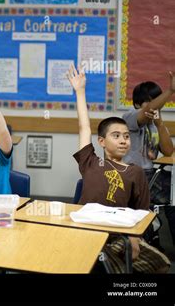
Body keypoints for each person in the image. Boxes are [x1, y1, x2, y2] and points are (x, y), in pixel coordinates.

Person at [67, 64, 170, 273]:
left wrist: (134, 237)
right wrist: (80, 91)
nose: (123, 140)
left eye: (126, 136)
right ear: (102, 142)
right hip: (88, 231)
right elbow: (84, 127)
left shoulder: (135, 172)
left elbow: (141, 211)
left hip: (118, 235)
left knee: (162, 265)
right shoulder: (91, 162)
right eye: (116, 136)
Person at [122, 74, 175, 248]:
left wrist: (160, 125)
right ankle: (150, 236)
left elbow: (168, 152)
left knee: (173, 198)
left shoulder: (155, 124)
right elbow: (146, 112)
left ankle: (158, 239)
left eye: (157, 101)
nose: (155, 105)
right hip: (131, 175)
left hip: (151, 176)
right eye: (149, 101)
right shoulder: (129, 117)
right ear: (137, 104)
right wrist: (170, 91)